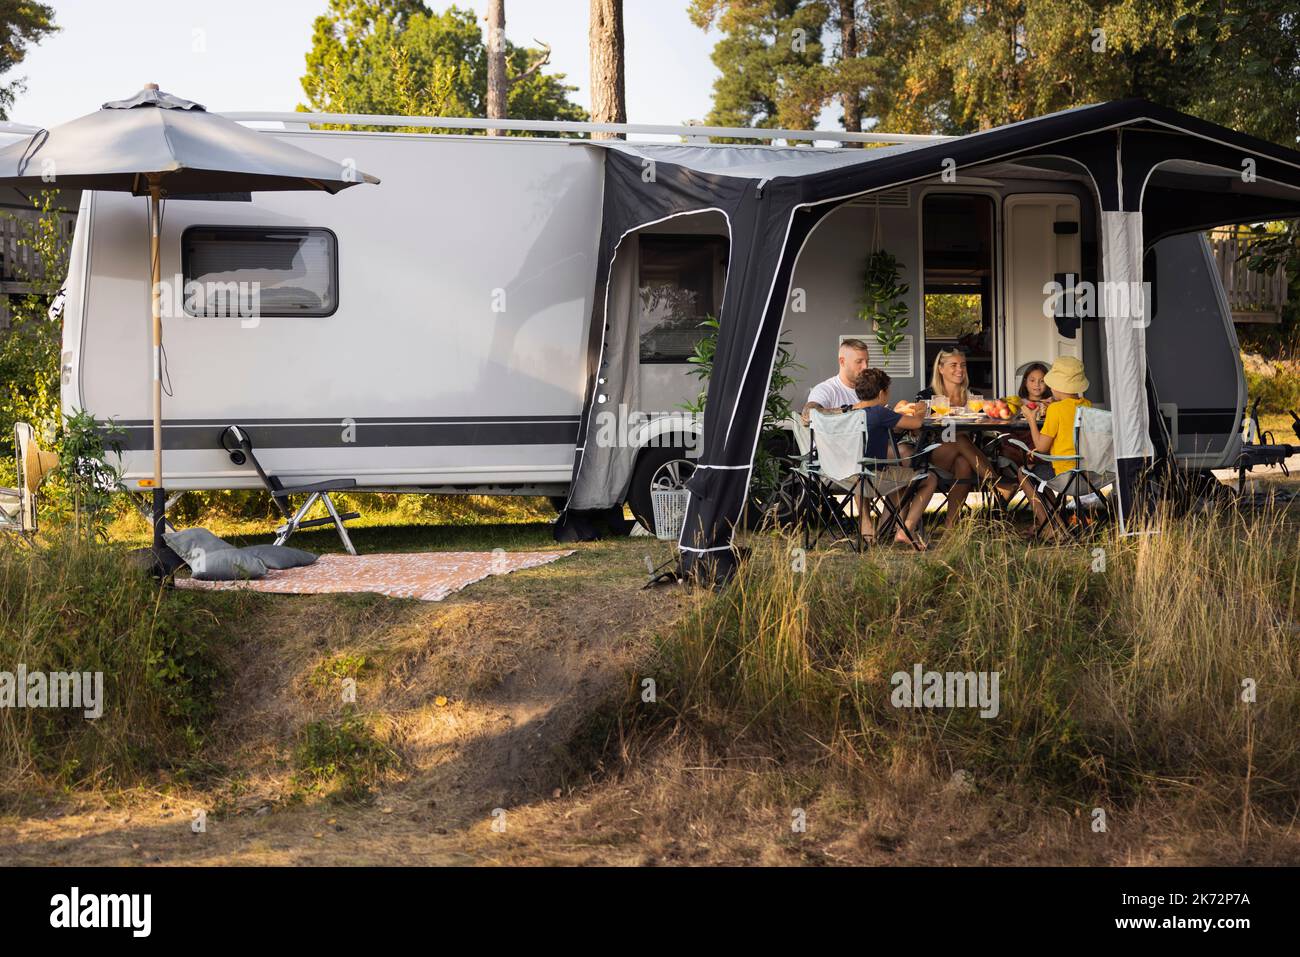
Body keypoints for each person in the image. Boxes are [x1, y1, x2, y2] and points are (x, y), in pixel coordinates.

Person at [912, 347, 1014, 526]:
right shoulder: (926, 396)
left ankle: (950, 526)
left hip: (968, 455)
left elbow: (989, 423)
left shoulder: (973, 397)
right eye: (953, 365)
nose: (959, 369)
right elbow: (916, 429)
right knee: (959, 439)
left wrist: (998, 411)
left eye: (963, 365)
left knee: (964, 463)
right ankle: (996, 483)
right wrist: (922, 414)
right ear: (940, 368)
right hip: (935, 452)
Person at [852, 368, 937, 550]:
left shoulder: (849, 411)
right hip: (875, 477)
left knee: (899, 473)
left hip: (849, 477)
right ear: (882, 393)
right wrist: (922, 409)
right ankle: (906, 529)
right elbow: (917, 424)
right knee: (929, 479)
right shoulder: (880, 413)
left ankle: (882, 529)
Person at [1020, 356, 1092, 535]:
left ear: (1057, 386)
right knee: (1038, 470)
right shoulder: (1087, 405)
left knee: (1024, 471)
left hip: (1065, 475)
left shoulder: (1055, 410)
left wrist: (1030, 419)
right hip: (1089, 475)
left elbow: (1041, 448)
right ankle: (1058, 524)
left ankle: (1050, 527)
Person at [802, 339, 871, 424]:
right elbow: (809, 414)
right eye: (859, 362)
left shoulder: (870, 388)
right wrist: (851, 409)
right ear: (842, 362)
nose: (865, 366)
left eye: (867, 361)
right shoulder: (826, 389)